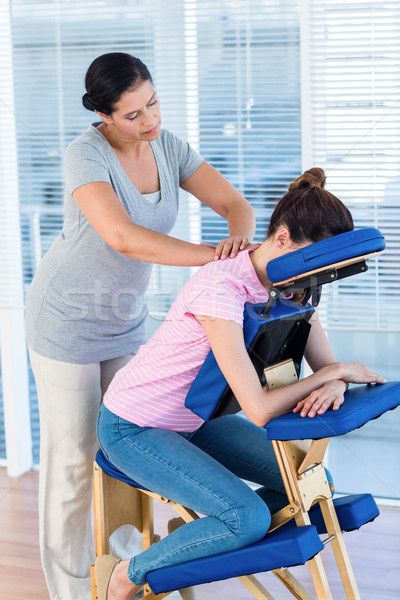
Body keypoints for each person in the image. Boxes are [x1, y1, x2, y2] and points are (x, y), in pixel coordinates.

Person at [25, 52, 256, 600]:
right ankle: (70, 592)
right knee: (76, 463)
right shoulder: (86, 156)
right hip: (66, 323)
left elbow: (235, 205)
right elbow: (123, 238)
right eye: (132, 115)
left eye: (152, 103)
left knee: (140, 449)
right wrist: (210, 257)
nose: (148, 121)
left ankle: (128, 572)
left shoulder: (168, 145)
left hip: (126, 325)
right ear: (104, 115)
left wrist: (238, 247)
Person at [95, 168, 386, 600]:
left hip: (197, 419)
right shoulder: (222, 287)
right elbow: (260, 408)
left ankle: (206, 530)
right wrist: (329, 376)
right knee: (245, 518)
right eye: (315, 262)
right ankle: (128, 573)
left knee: (308, 479)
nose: (316, 279)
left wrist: (335, 382)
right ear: (283, 239)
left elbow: (330, 366)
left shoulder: (295, 287)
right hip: (136, 426)